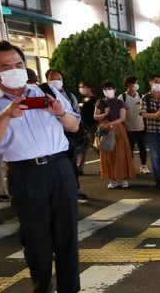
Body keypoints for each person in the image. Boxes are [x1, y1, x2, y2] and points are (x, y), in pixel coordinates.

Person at [0, 40, 82, 293]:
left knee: (66, 232)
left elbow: (75, 125)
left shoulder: (47, 92)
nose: (14, 70)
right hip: (24, 172)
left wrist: (59, 112)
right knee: (35, 237)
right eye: (6, 66)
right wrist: (7, 115)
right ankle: (40, 290)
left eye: (18, 64)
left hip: (59, 167)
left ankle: (68, 292)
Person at [42, 69, 87, 200]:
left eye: (59, 78)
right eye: (53, 78)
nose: (56, 81)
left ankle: (74, 189)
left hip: (69, 135)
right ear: (47, 80)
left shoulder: (70, 96)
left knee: (71, 164)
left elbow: (76, 114)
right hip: (53, 137)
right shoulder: (43, 94)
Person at [96, 80, 135, 189]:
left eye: (110, 89)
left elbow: (122, 118)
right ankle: (112, 179)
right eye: (105, 89)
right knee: (108, 155)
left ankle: (124, 178)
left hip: (118, 129)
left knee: (121, 153)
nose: (107, 91)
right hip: (105, 129)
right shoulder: (101, 102)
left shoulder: (119, 102)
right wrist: (106, 113)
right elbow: (96, 116)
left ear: (115, 90)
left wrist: (110, 123)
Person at [120, 75, 150, 175]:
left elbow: (145, 111)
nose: (135, 85)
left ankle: (144, 166)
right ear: (128, 84)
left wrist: (146, 124)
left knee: (142, 148)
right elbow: (119, 114)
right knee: (129, 149)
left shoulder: (141, 96)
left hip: (140, 127)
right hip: (128, 128)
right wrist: (124, 126)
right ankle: (129, 167)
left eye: (136, 83)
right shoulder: (122, 97)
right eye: (133, 83)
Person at [76, 81, 98, 175]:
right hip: (83, 126)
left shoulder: (93, 100)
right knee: (83, 147)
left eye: (83, 87)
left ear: (89, 88)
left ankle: (107, 163)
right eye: (80, 87)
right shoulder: (84, 99)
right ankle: (80, 168)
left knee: (95, 145)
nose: (81, 89)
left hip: (91, 126)